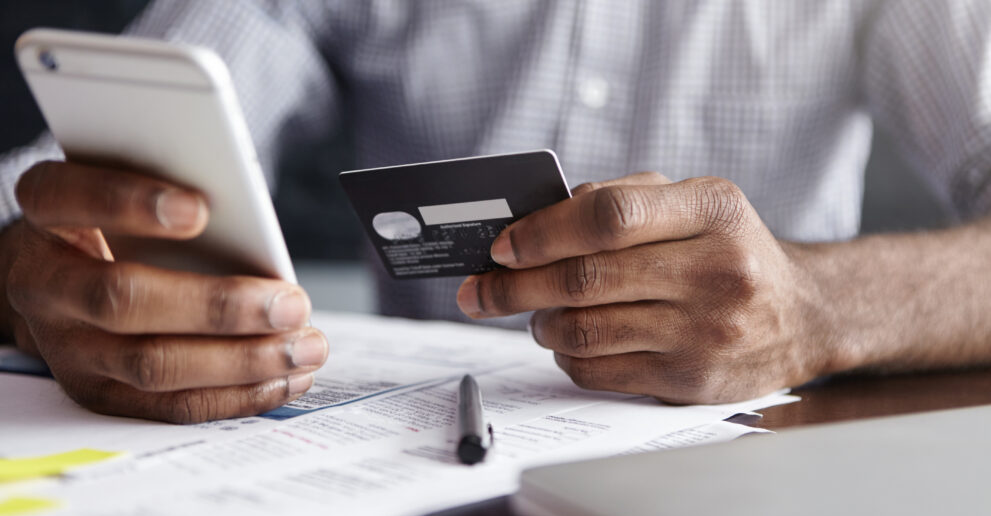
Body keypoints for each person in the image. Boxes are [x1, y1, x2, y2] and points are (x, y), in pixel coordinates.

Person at [3, 1, 991, 423]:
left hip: (761, 474)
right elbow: (79, 163)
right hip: (416, 471)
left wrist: (819, 305)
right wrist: (29, 273)